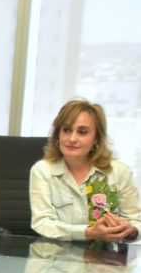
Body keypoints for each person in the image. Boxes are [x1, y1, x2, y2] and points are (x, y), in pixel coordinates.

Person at [29, 98, 141, 242]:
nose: (72, 138)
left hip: (106, 254)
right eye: (66, 130)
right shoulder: (42, 171)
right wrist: (88, 233)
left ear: (96, 139)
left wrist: (130, 230)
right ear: (58, 134)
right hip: (56, 254)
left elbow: (135, 221)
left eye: (82, 132)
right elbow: (42, 223)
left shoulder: (120, 172)